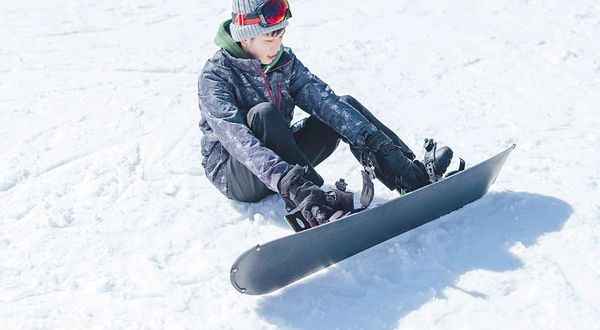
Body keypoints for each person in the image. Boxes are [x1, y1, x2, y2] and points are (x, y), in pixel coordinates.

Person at [198, 0, 450, 227]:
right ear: (245, 38)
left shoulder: (284, 62)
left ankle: (407, 174)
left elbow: (325, 101)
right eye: (268, 40)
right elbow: (240, 142)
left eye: (280, 36)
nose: (277, 46)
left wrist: (377, 142)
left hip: (284, 161)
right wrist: (296, 185)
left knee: (343, 105)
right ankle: (315, 203)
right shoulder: (216, 77)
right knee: (263, 115)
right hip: (238, 176)